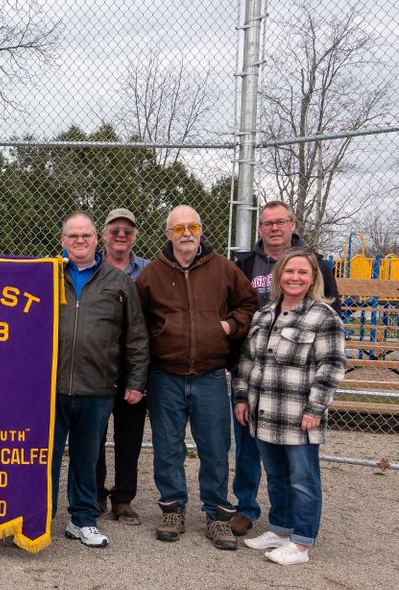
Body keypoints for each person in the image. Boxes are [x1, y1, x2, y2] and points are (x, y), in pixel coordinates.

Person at [135, 205, 257, 550]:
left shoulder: (223, 269)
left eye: (193, 226)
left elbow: (248, 304)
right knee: (167, 447)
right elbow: (138, 321)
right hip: (165, 375)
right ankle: (173, 509)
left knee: (215, 447)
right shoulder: (151, 274)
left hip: (209, 374)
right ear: (167, 232)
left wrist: (229, 326)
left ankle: (216, 515)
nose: (186, 233)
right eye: (179, 228)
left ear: (201, 230)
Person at [229, 201, 342, 538]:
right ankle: (261, 518)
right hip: (258, 389)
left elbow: (331, 359)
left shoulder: (321, 293)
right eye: (267, 223)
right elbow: (244, 345)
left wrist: (316, 406)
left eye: (281, 222)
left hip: (296, 393)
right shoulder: (245, 270)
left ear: (293, 224)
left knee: (301, 472)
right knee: (261, 459)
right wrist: (241, 393)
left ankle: (301, 536)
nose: (274, 228)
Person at [53, 212, 149, 548]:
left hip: (96, 386)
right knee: (45, 456)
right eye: (73, 236)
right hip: (50, 388)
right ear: (63, 240)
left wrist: (137, 380)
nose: (80, 241)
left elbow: (136, 335)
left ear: (97, 239)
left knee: (86, 456)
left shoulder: (118, 281)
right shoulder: (49, 276)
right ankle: (39, 516)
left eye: (86, 235)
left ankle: (82, 519)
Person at [94, 207, 150, 525]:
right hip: (98, 366)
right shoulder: (90, 267)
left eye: (127, 230)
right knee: (94, 435)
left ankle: (124, 499)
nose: (121, 234)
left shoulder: (149, 271)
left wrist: (140, 376)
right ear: (103, 234)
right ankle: (96, 493)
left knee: (129, 437)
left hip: (132, 365)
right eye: (114, 229)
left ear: (135, 236)